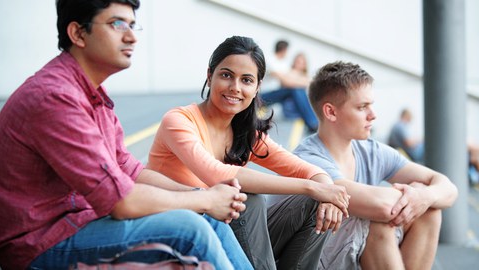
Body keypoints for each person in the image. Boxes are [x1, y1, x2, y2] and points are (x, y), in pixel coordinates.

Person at [0, 1, 252, 269]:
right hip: (40, 242)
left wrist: (201, 193)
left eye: (132, 25)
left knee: (206, 218)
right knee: (188, 227)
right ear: (78, 33)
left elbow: (127, 168)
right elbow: (122, 202)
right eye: (117, 24)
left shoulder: (91, 92)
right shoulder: (55, 97)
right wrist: (206, 199)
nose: (131, 36)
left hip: (79, 220)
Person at [146, 36, 350, 270]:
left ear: (257, 88)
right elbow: (217, 173)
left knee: (314, 204)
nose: (235, 87)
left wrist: (326, 191)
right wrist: (311, 187)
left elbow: (304, 169)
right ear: (209, 75)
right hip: (185, 234)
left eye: (246, 80)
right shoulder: (179, 121)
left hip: (232, 233)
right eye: (226, 75)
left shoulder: (245, 132)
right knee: (246, 199)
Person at [293, 61, 458, 270]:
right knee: (379, 221)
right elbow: (383, 207)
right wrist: (418, 192)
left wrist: (424, 196)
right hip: (312, 262)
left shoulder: (371, 151)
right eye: (362, 107)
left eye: (371, 105)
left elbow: (448, 188)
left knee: (429, 209)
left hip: (349, 254)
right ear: (331, 112)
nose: (373, 115)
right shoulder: (308, 158)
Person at [260, 40, 318, 132]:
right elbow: (286, 83)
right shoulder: (270, 61)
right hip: (263, 97)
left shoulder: (283, 64)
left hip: (277, 96)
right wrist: (309, 82)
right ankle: (313, 123)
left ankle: (313, 123)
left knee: (297, 91)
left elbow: (290, 81)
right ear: (284, 50)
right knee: (295, 89)